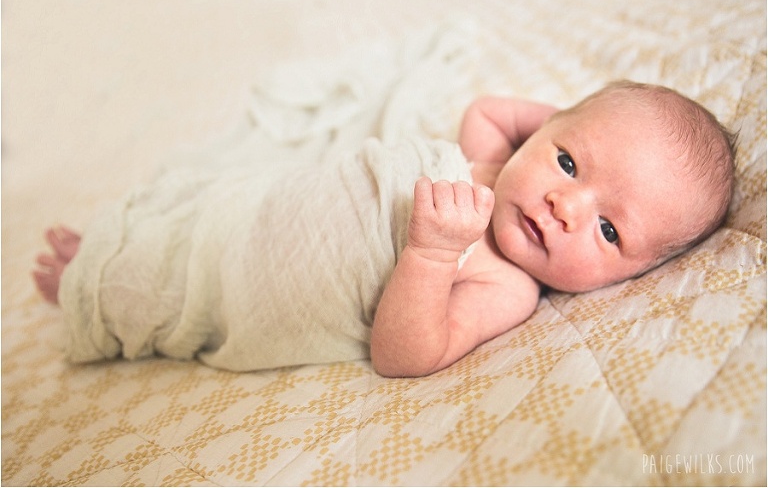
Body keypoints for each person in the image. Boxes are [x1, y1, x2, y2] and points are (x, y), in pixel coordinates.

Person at [32, 80, 736, 377]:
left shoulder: (507, 284)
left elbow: (407, 352)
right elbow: (492, 109)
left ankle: (85, 281)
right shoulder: (490, 159)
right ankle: (111, 242)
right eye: (569, 161)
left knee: (153, 284)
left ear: (630, 277)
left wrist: (431, 254)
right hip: (273, 203)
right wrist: (560, 127)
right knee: (192, 211)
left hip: (252, 282)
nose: (566, 205)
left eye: (610, 231)